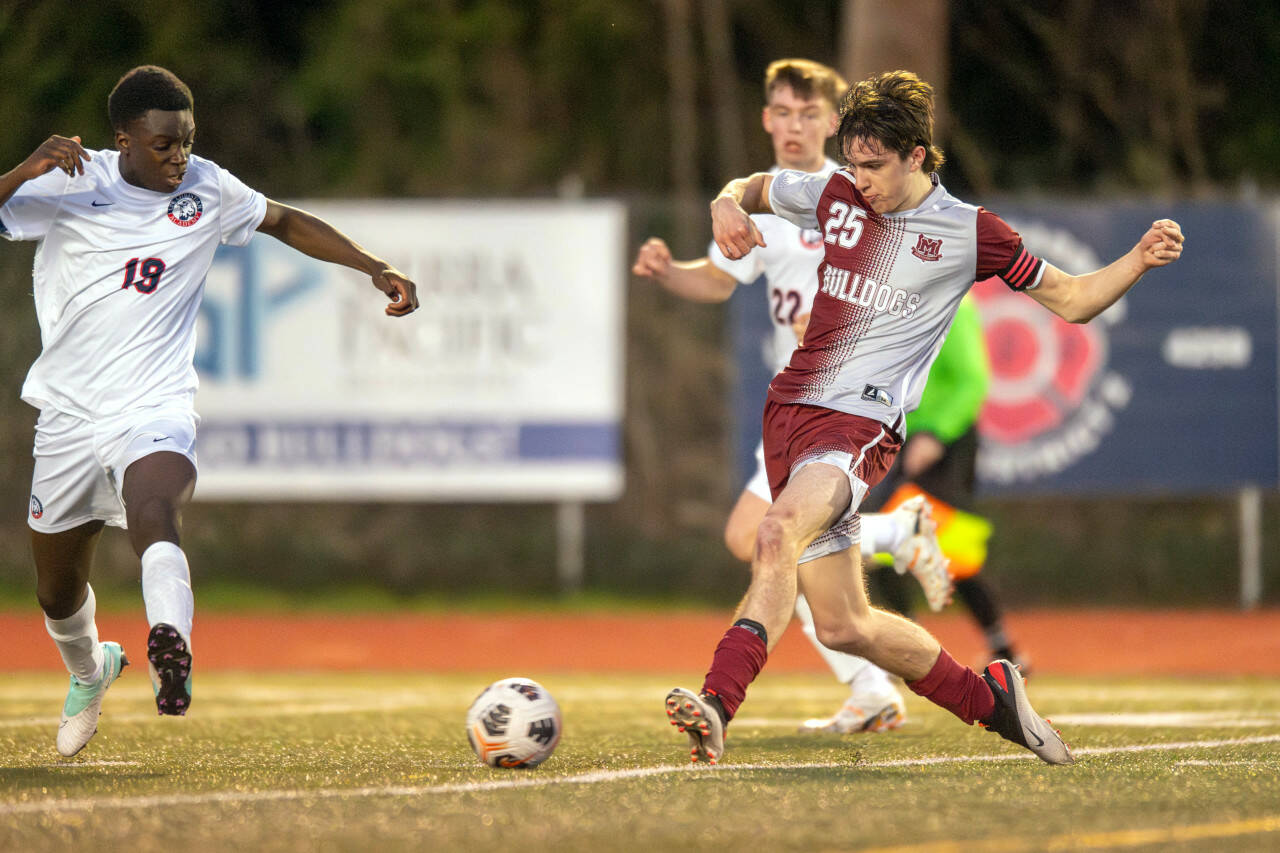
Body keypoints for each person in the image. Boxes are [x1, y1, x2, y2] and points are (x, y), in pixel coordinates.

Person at [665, 69, 1183, 766]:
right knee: (846, 625)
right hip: (787, 414)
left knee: (773, 532)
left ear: (916, 155)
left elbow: (1073, 299)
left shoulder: (969, 231)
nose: (860, 180)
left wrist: (1137, 261)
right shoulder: (835, 194)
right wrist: (724, 205)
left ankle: (717, 701)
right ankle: (991, 699)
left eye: (874, 166)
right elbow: (753, 188)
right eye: (852, 164)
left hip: (859, 427)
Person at [0, 66, 419, 757]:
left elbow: (285, 221)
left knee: (155, 506)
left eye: (187, 142)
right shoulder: (71, 182)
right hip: (69, 414)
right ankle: (90, 670)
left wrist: (373, 266)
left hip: (154, 401)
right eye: (163, 145)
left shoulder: (208, 188)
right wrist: (24, 167)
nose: (179, 158)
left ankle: (173, 643)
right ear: (124, 140)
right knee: (55, 590)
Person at [634, 59, 949, 735]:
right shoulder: (774, 206)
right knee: (764, 541)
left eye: (809, 113)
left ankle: (868, 671)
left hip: (844, 405)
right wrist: (668, 273)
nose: (792, 124)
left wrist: (849, 328)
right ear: (766, 119)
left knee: (761, 537)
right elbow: (719, 281)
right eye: (780, 111)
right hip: (794, 409)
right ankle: (892, 563)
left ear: (835, 122)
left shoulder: (858, 193)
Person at [861, 292, 1029, 672]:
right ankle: (911, 650)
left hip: (941, 444)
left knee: (947, 550)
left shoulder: (952, 302)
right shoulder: (886, 299)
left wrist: (936, 434)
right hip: (897, 438)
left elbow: (972, 379)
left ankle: (991, 649)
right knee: (878, 545)